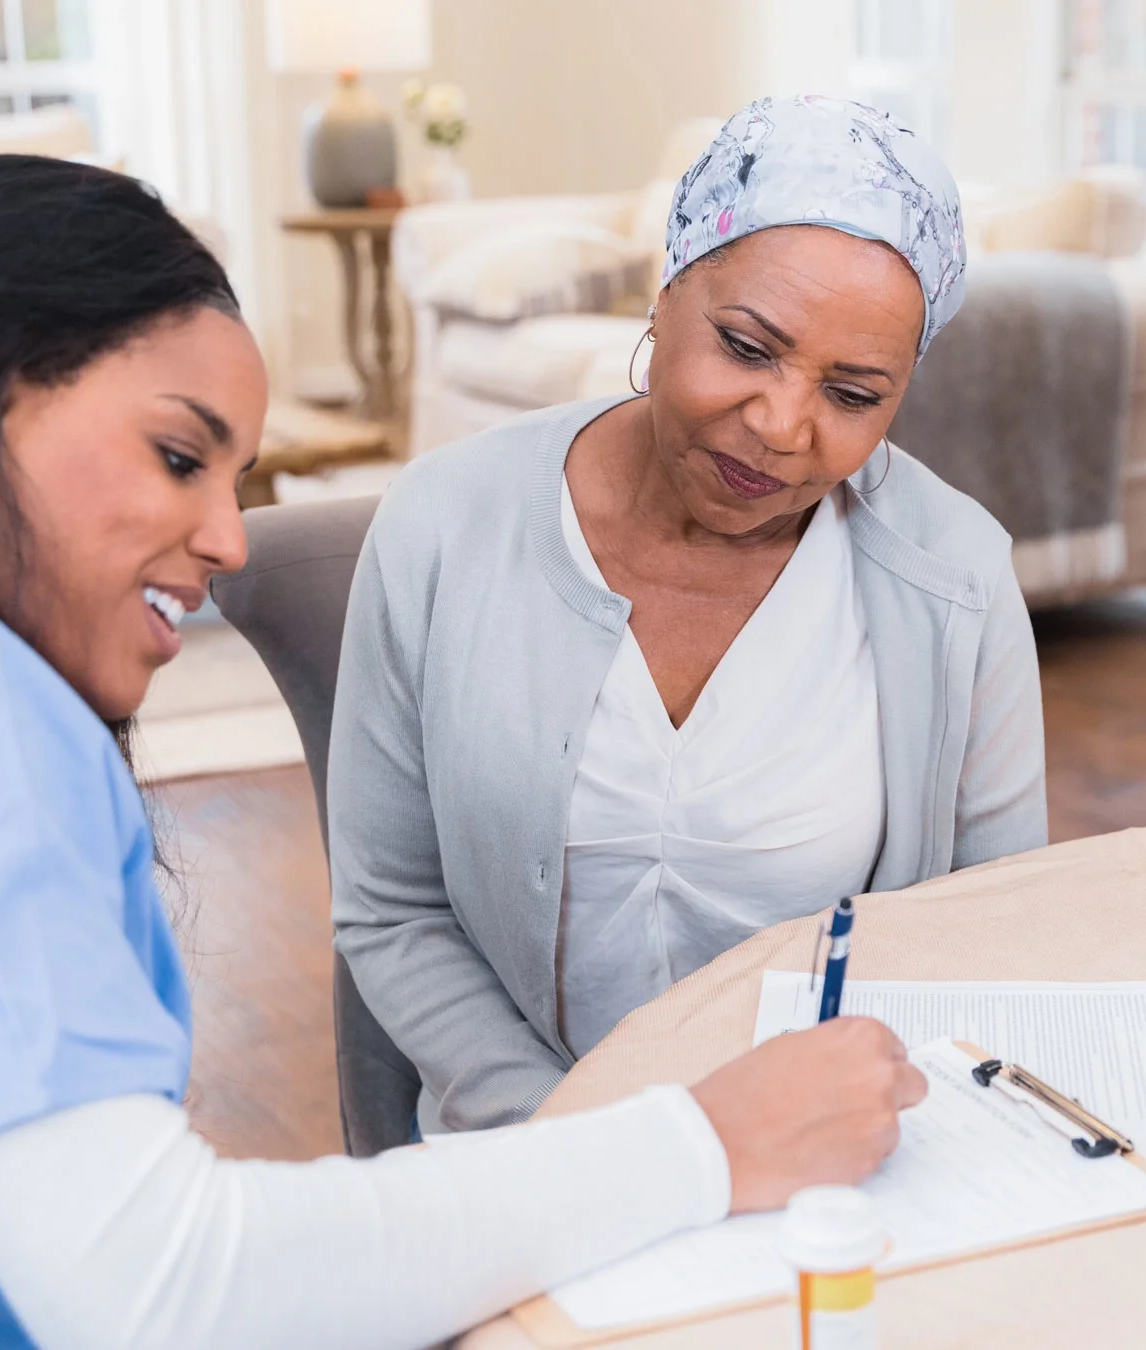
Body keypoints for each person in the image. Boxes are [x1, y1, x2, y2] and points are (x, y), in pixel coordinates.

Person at [0, 154, 926, 1350]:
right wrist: (707, 1139)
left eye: (237, 477)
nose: (225, 537)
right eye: (176, 455)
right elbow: (162, 1286)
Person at [333, 94, 1047, 1135]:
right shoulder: (442, 524)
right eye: (749, 347)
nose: (780, 425)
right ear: (665, 294)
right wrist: (585, 1137)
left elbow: (992, 925)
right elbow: (394, 908)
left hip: (837, 1164)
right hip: (532, 1158)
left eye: (853, 394)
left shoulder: (958, 576)